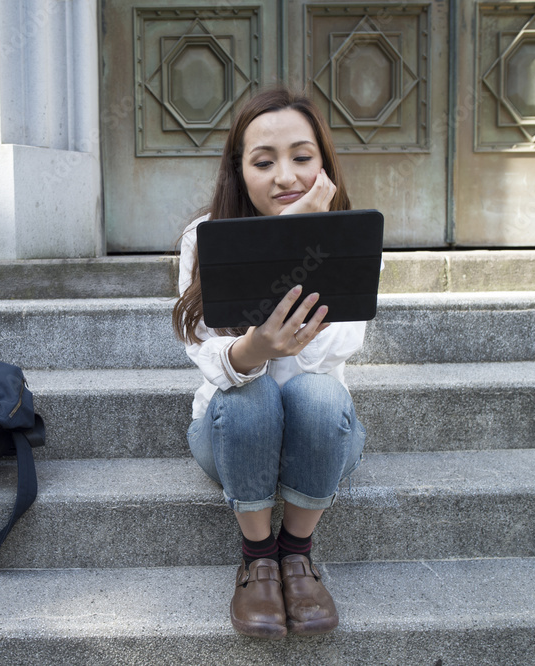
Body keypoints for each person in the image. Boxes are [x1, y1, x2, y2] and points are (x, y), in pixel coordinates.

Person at [172, 87, 369, 639]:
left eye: (302, 158)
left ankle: (297, 555)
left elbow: (337, 346)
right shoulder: (202, 238)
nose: (286, 177)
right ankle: (259, 557)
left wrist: (304, 232)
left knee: (320, 392)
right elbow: (204, 351)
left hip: (320, 434)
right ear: (239, 171)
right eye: (264, 162)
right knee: (247, 395)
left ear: (324, 167)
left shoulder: (347, 234)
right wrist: (254, 349)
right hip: (232, 437)